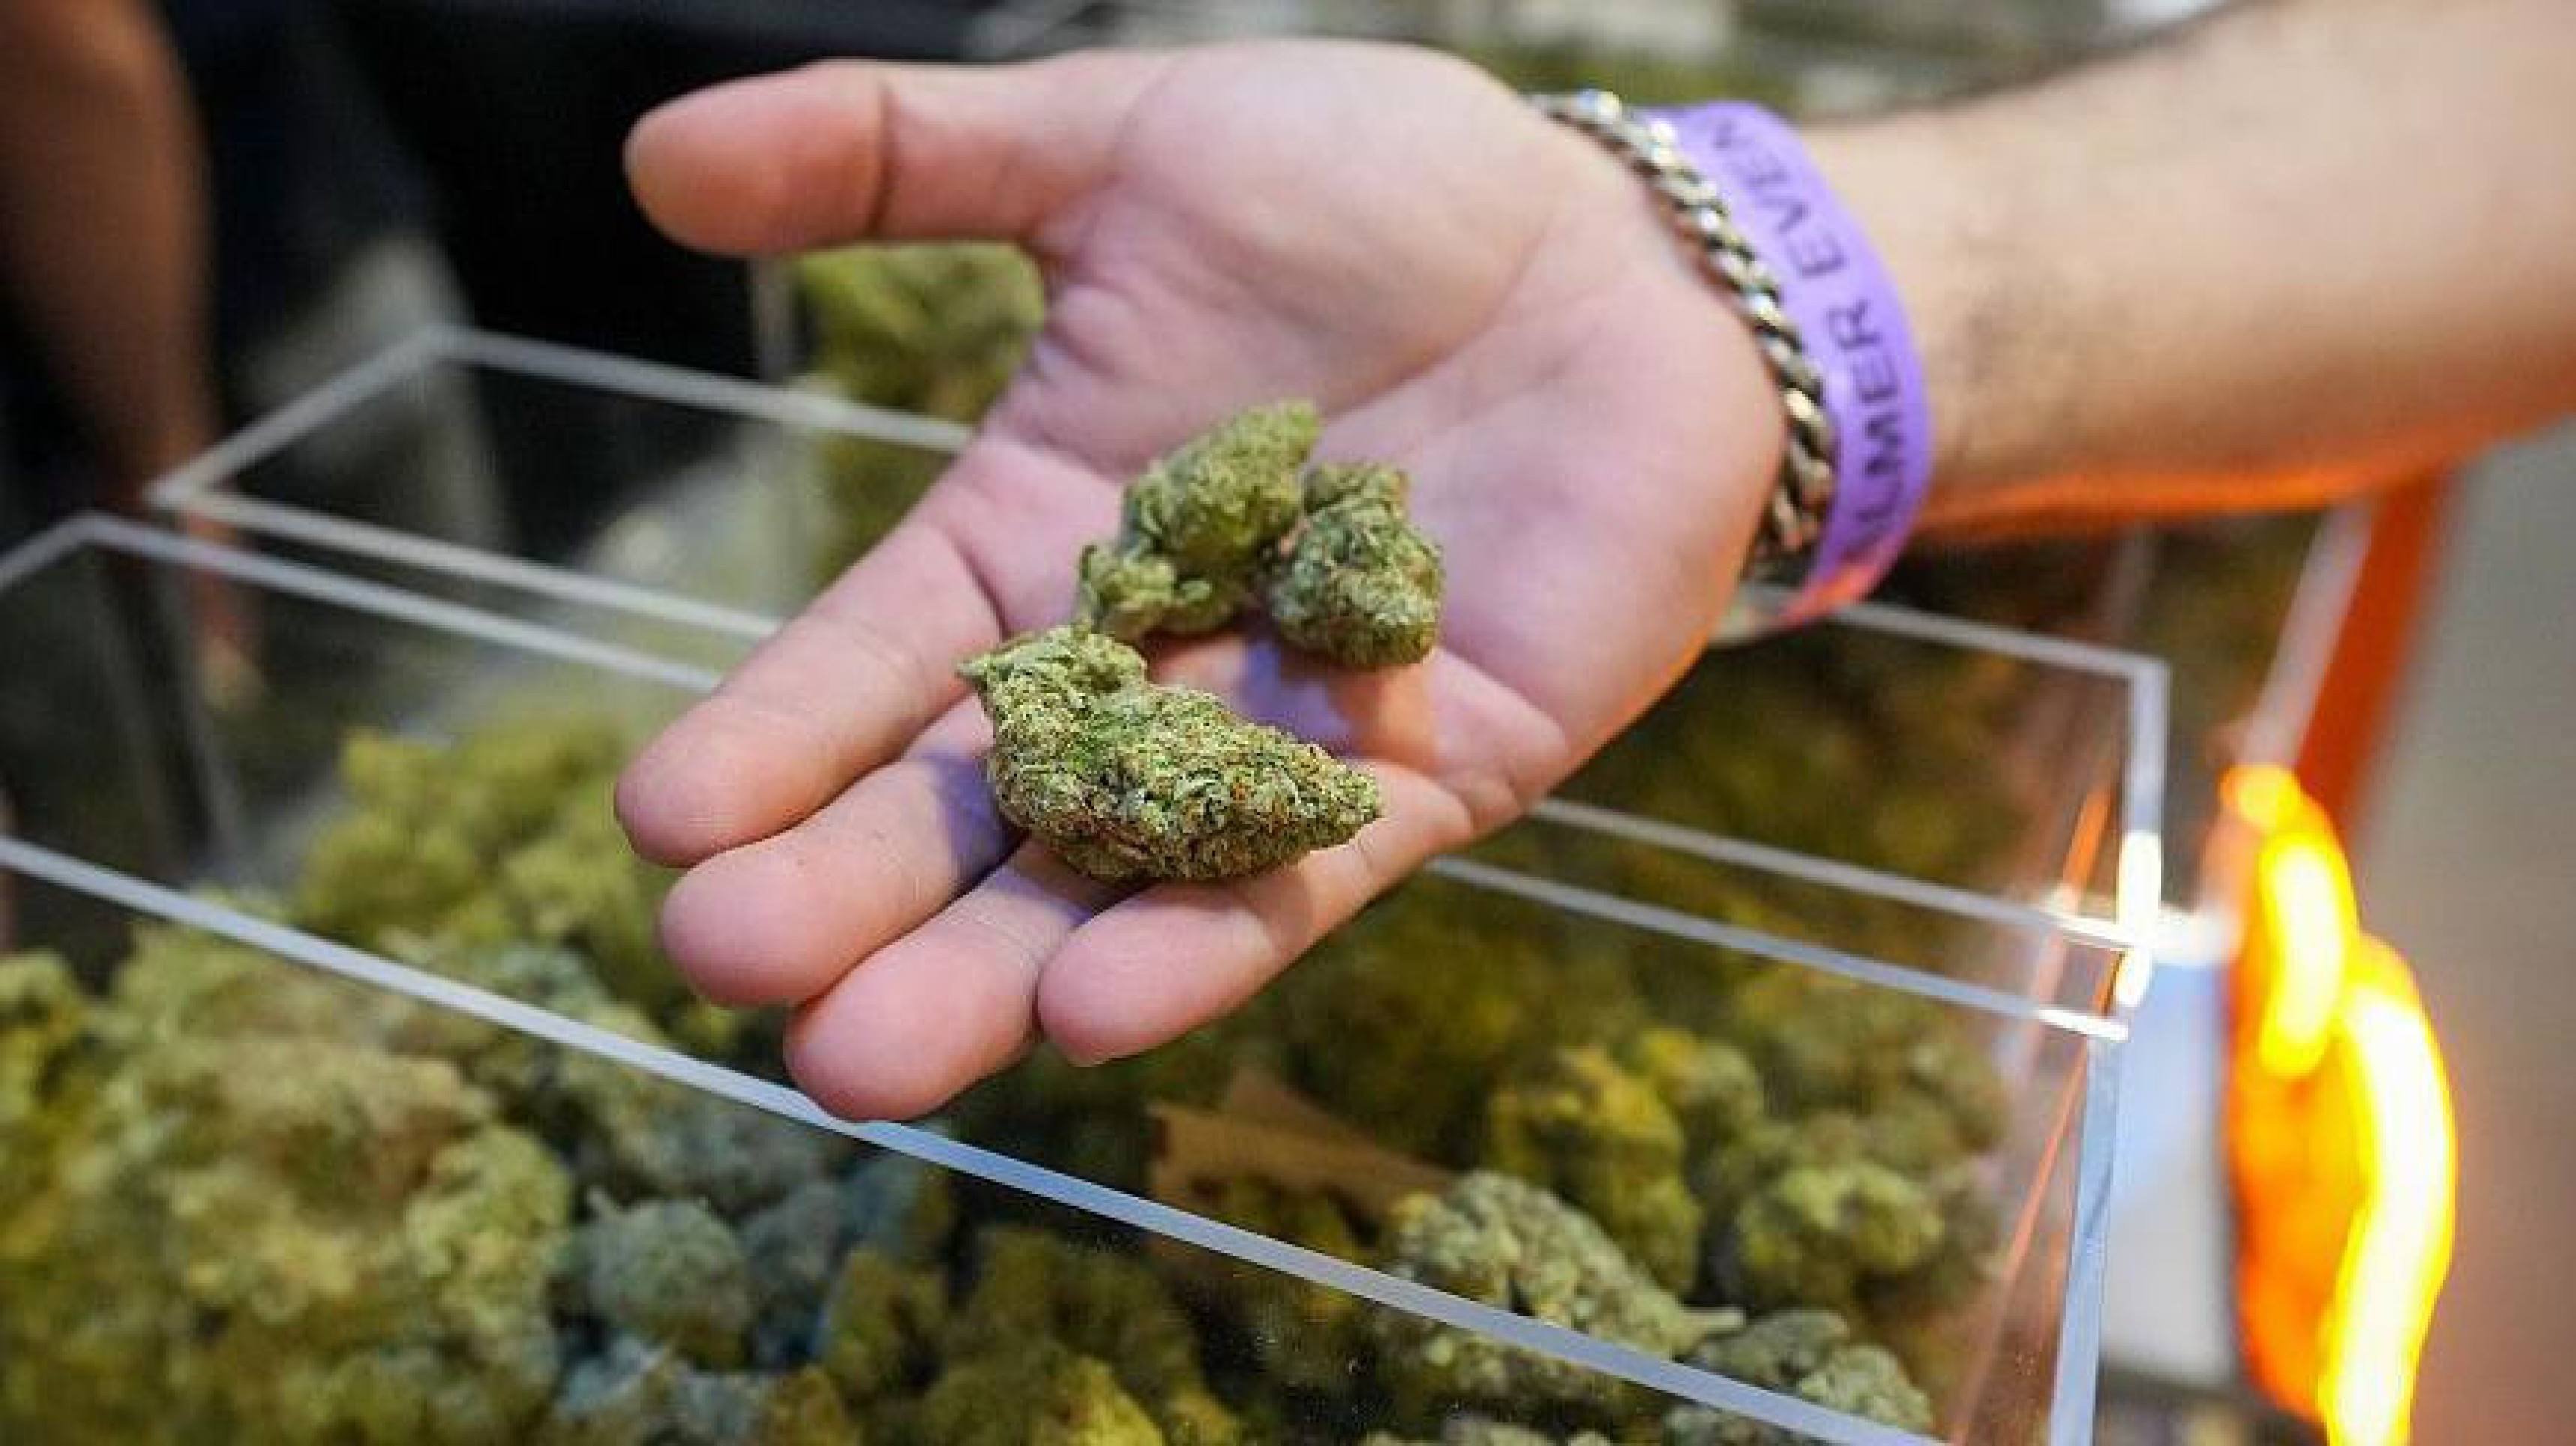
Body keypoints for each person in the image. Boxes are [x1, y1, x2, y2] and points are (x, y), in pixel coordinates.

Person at [611, 0, 2576, 1121]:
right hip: (1238, 427)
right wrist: (1721, 271)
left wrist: (1715, 293)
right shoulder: (1180, 596)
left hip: (2024, 649)